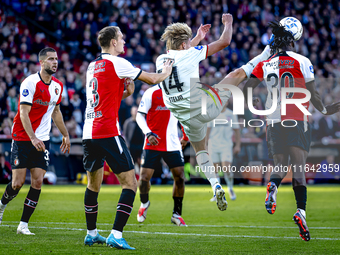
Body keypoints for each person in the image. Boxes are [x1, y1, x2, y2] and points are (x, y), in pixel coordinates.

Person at [156, 14, 271, 211]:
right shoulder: (190, 53)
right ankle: (269, 50)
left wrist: (198, 37)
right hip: (205, 108)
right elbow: (225, 41)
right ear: (184, 45)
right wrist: (228, 23)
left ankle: (215, 185)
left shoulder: (161, 59)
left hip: (185, 118)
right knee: (235, 75)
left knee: (201, 150)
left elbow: (181, 51)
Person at [243, 20, 340, 241]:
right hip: (297, 119)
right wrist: (325, 111)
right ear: (293, 40)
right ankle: (301, 211)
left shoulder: (266, 64)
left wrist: (259, 108)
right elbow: (314, 95)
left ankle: (273, 186)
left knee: (280, 165)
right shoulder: (302, 61)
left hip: (274, 121)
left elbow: (247, 89)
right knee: (298, 169)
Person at [82, 26, 173, 250]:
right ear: (113, 42)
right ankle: (116, 233)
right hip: (107, 132)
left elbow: (105, 97)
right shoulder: (118, 62)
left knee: (93, 185)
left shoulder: (92, 66)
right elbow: (151, 79)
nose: (124, 41)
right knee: (131, 184)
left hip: (88, 132)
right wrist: (166, 73)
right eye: (121, 38)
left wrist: (127, 94)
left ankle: (92, 233)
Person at [0, 47, 71, 235]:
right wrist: (32, 137)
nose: (55, 62)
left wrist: (65, 134)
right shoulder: (29, 83)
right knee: (17, 183)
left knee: (38, 181)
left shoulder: (58, 86)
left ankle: (23, 225)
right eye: (50, 59)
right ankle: (1, 205)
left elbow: (56, 112)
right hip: (23, 138)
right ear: (41, 62)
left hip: (43, 139)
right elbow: (23, 113)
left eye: (56, 59)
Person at [135, 85, 188, 226]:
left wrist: (185, 136)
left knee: (180, 177)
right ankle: (144, 203)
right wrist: (148, 132)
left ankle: (176, 214)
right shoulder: (151, 92)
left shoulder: (179, 93)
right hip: (152, 141)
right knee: (144, 178)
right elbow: (139, 115)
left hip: (172, 143)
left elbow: (183, 116)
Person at [206, 103, 241, 201]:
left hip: (226, 145)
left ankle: (230, 188)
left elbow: (237, 130)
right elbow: (208, 130)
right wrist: (205, 144)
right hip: (213, 145)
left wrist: (238, 145)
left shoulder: (231, 114)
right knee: (215, 171)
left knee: (226, 168)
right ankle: (216, 193)